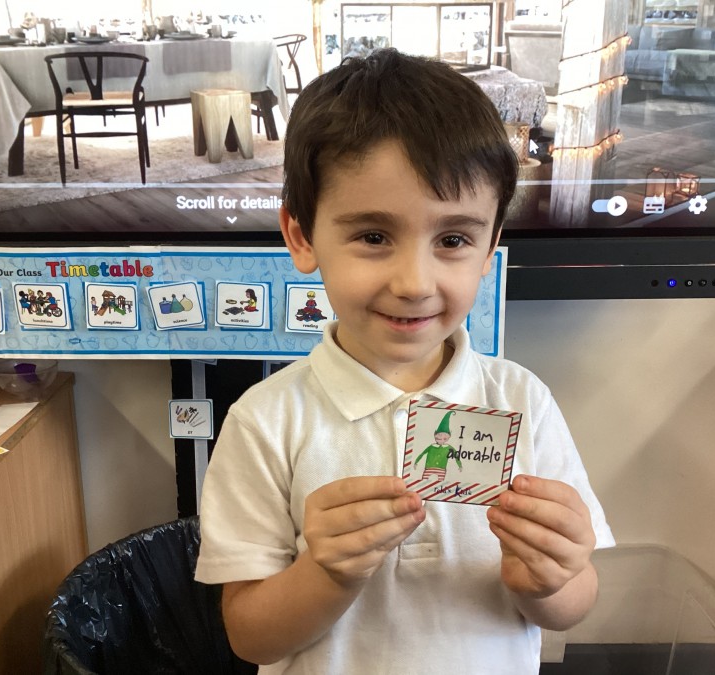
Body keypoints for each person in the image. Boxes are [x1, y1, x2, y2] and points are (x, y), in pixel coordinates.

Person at [196, 48, 614, 674]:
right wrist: (325, 574)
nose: (415, 283)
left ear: (490, 245)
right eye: (373, 237)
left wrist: (550, 580)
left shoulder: (523, 401)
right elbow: (251, 637)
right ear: (302, 237)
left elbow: (572, 604)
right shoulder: (265, 420)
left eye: (453, 239)